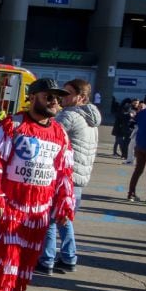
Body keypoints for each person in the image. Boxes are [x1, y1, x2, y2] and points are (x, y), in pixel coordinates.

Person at [0, 78, 74, 291]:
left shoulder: (60, 133)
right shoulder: (11, 126)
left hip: (39, 212)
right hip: (10, 208)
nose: (54, 102)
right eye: (48, 96)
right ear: (32, 97)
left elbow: (64, 172)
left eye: (58, 98)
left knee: (25, 263)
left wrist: (64, 205)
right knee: (5, 260)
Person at [38, 79, 100, 275]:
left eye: (68, 93)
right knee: (64, 218)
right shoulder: (91, 119)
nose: (63, 97)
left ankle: (46, 259)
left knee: (49, 218)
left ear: (81, 97)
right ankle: (68, 257)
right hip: (79, 178)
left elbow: (50, 139)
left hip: (64, 176)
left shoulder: (70, 116)